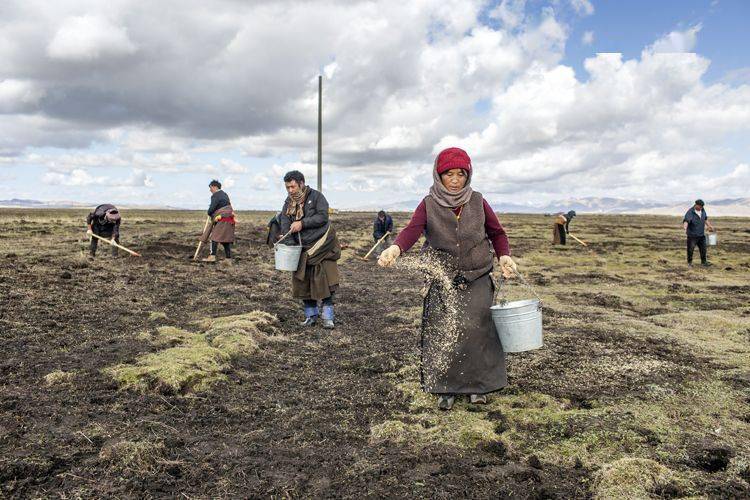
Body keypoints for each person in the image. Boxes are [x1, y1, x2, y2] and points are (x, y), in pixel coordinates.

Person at [378, 147, 518, 411]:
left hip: (477, 276)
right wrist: (395, 248)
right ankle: (446, 387)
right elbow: (412, 230)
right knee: (445, 331)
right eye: (449, 174)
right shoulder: (429, 203)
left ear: (468, 175)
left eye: (461, 174)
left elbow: (497, 233)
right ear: (438, 175)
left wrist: (504, 257)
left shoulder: (477, 200)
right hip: (442, 278)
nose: (455, 180)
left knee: (479, 331)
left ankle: (479, 387)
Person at [278, 170, 341, 329]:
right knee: (303, 283)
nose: (290, 190)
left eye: (292, 187)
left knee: (326, 282)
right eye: (287, 188)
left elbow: (322, 217)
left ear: (301, 183)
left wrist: (302, 223)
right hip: (302, 248)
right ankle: (311, 317)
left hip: (322, 245)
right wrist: (290, 243)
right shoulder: (288, 202)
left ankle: (328, 318)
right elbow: (285, 221)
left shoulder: (317, 197)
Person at [201, 180, 236, 262]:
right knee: (225, 239)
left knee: (214, 237)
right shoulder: (225, 194)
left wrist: (209, 212)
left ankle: (212, 256)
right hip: (228, 219)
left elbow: (212, 209)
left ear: (214, 187)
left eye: (210, 188)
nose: (210, 190)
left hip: (221, 219)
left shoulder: (216, 195)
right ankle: (228, 258)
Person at [683, 199, 714, 267]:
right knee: (690, 249)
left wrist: (709, 226)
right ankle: (689, 263)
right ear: (696, 205)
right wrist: (685, 228)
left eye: (702, 207)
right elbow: (686, 221)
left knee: (703, 249)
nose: (701, 208)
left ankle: (704, 262)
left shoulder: (702, 210)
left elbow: (705, 219)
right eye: (700, 206)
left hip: (701, 234)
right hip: (692, 235)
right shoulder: (690, 212)